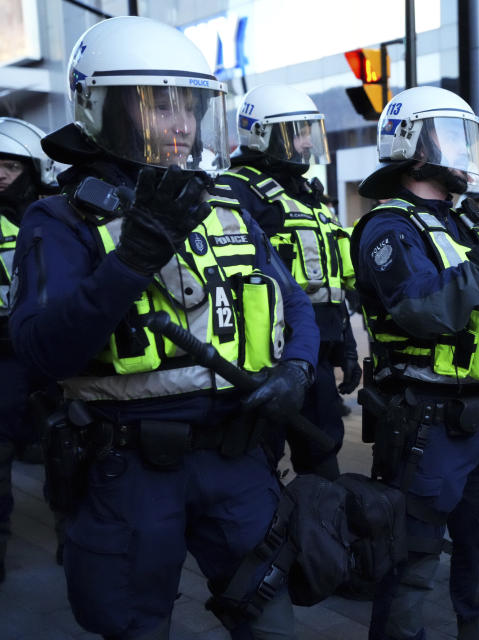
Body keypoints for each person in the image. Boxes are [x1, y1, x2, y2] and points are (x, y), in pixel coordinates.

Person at [9, 16, 319, 639]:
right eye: (158, 106)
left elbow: (295, 302)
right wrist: (131, 262)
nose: (181, 123)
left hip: (237, 458)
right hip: (129, 468)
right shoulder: (59, 218)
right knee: (135, 626)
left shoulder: (224, 205)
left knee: (273, 621)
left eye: (192, 106)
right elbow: (44, 349)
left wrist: (298, 367)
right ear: (102, 109)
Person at [351, 85, 479, 640]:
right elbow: (425, 310)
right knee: (411, 559)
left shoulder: (462, 225)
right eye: (452, 139)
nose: (466, 154)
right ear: (413, 147)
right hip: (426, 422)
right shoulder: (388, 228)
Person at [215, 84, 359, 480]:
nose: (307, 140)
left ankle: (320, 533)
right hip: (268, 356)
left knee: (323, 450)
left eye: (309, 130)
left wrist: (345, 345)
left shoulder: (310, 196)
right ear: (261, 134)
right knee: (261, 457)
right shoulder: (235, 191)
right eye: (297, 131)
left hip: (319, 350)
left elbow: (332, 283)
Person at [0, 116, 60, 584]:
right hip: (2, 359)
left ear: (34, 167)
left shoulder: (59, 214)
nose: (0, 174)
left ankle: (74, 537)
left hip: (49, 350)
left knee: (65, 447)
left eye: (9, 165)